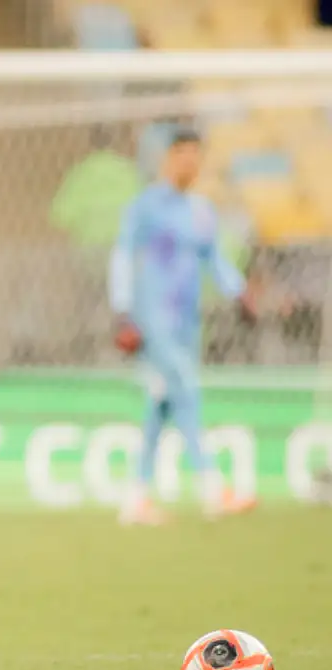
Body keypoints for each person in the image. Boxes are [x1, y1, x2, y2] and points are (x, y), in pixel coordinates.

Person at [109, 128, 258, 526]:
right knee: (187, 390)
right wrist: (122, 310)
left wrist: (239, 293)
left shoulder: (201, 211)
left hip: (187, 324)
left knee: (162, 402)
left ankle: (136, 498)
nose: (190, 163)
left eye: (197, 156)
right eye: (183, 155)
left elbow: (215, 259)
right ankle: (213, 488)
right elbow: (123, 254)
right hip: (151, 320)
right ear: (169, 159)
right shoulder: (145, 207)